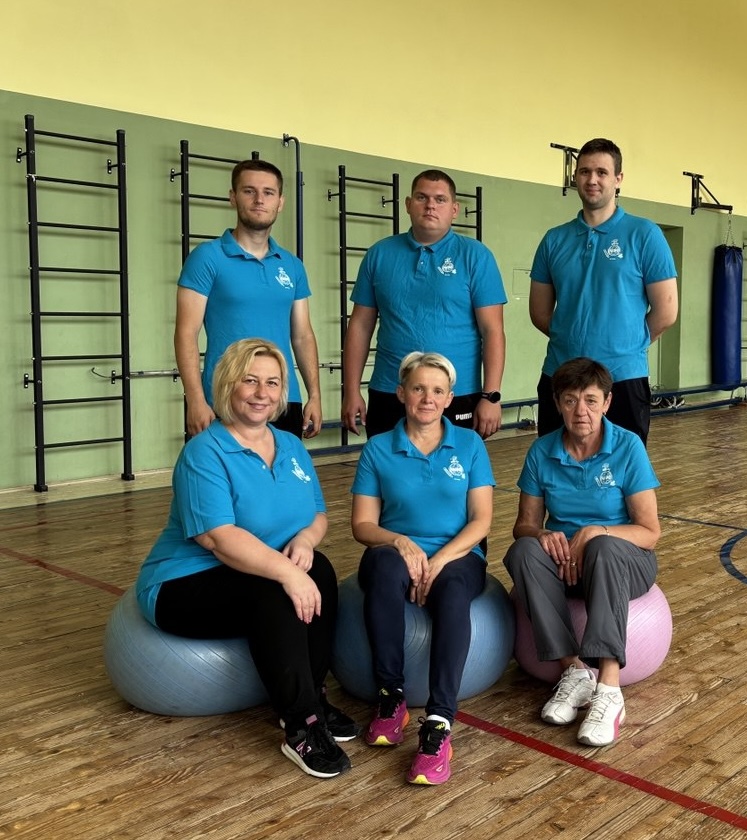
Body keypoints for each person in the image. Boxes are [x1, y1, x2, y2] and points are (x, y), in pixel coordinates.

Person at [135, 338, 356, 778]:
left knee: (320, 569)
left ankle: (313, 696)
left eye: (272, 383)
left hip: (255, 570)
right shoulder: (204, 452)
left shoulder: (290, 445)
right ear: (227, 385)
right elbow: (218, 538)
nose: (261, 393)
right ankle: (301, 724)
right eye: (250, 380)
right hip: (185, 581)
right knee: (275, 589)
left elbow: (317, 513)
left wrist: (306, 541)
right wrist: (287, 573)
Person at [350, 351, 495, 784]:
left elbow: (481, 520)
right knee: (383, 568)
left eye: (437, 390)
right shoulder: (378, 448)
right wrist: (398, 541)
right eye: (418, 388)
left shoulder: (470, 445)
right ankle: (390, 696)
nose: (427, 398)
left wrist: (440, 559)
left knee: (452, 591)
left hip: (458, 555)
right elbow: (362, 525)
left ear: (449, 398)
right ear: (401, 393)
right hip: (394, 551)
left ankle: (439, 722)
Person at [503, 357, 661, 747]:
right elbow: (523, 525)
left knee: (604, 546)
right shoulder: (541, 451)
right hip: (566, 565)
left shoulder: (627, 446)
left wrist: (595, 532)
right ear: (558, 403)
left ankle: (608, 688)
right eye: (571, 400)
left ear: (607, 402)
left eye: (591, 400)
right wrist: (542, 534)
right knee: (523, 551)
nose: (581, 411)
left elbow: (650, 532)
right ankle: (573, 671)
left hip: (622, 562)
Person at [529, 138, 678, 445]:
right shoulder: (554, 240)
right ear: (575, 177)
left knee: (622, 468)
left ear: (618, 179)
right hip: (561, 376)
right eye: (584, 171)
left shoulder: (645, 234)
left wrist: (625, 345)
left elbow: (666, 312)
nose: (592, 179)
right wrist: (573, 338)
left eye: (602, 172)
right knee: (556, 465)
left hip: (623, 378)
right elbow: (540, 313)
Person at [342, 169, 507, 441]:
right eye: (422, 197)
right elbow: (359, 326)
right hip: (390, 389)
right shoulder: (379, 254)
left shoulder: (476, 256)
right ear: (408, 204)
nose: (431, 205)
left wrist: (491, 396)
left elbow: (493, 331)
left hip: (456, 393)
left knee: (452, 468)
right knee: (388, 466)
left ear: (454, 209)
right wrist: (350, 391)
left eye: (440, 199)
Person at [175, 159, 322, 440]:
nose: (259, 200)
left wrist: (314, 395)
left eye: (268, 192)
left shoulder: (292, 265)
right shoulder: (207, 257)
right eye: (249, 191)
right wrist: (195, 399)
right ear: (233, 197)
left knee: (281, 469)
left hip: (282, 398)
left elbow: (303, 335)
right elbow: (186, 333)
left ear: (280, 202)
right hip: (225, 398)